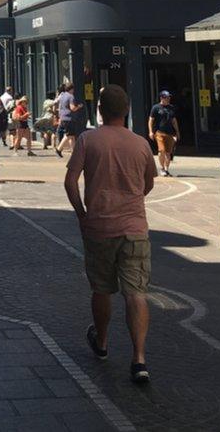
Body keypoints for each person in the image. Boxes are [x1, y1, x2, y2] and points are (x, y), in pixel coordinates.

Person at [64, 85, 157, 384]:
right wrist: (134, 196)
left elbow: (70, 181)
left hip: (100, 226)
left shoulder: (88, 140)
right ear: (127, 109)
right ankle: (139, 357)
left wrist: (81, 212)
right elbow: (149, 182)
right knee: (136, 293)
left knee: (102, 288)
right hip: (134, 228)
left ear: (100, 110)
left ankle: (102, 341)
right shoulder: (141, 143)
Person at [148, 91, 180, 177]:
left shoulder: (171, 108)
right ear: (161, 98)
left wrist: (177, 132)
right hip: (159, 132)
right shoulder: (156, 108)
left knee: (168, 152)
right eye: (166, 97)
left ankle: (166, 169)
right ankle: (162, 168)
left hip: (170, 133)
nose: (168, 99)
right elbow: (151, 120)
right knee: (161, 150)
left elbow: (174, 120)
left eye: (169, 97)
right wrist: (151, 131)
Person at [55, 83, 84, 158]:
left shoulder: (62, 96)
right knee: (69, 135)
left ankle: (74, 153)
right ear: (71, 89)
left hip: (63, 117)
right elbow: (72, 108)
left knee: (71, 136)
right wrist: (79, 106)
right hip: (69, 118)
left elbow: (59, 106)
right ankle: (58, 149)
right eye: (73, 89)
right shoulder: (71, 96)